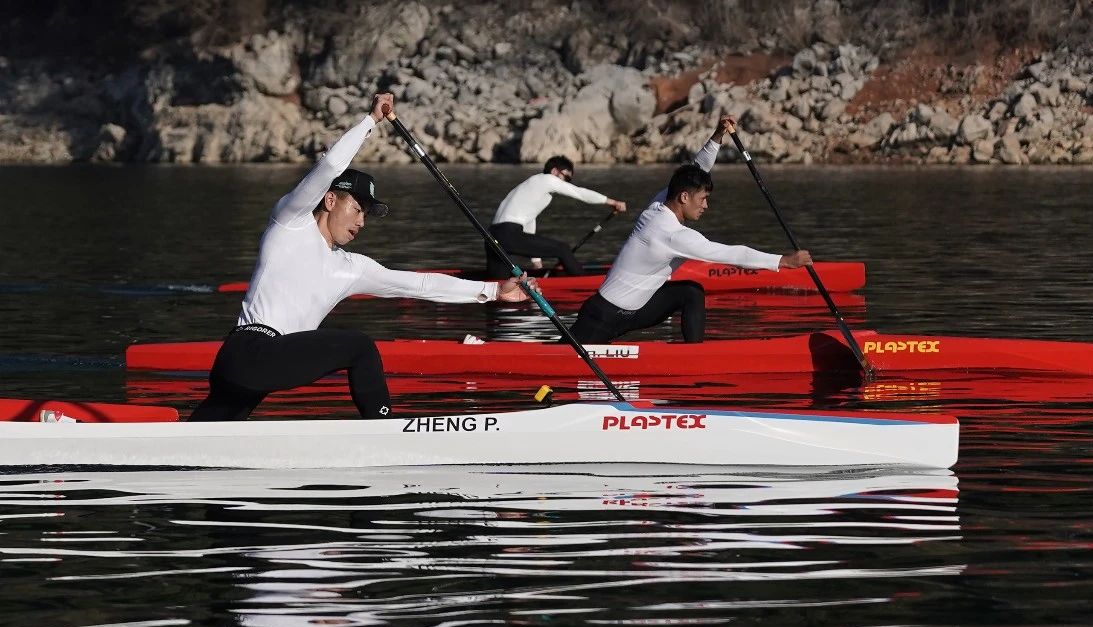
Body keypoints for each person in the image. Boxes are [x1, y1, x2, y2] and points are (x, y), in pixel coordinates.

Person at [189, 92, 534, 422]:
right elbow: (330, 166)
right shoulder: (290, 222)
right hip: (249, 350)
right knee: (360, 346)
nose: (361, 222)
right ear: (329, 201)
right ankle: (383, 430)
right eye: (357, 209)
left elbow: (419, 285)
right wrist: (370, 120)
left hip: (259, 364)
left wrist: (492, 291)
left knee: (207, 436)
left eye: (366, 215)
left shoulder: (351, 268)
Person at [568, 116, 810, 345]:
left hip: (635, 310)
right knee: (562, 360)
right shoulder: (672, 234)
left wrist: (718, 136)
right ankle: (694, 359)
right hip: (602, 316)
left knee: (690, 292)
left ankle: (694, 353)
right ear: (684, 197)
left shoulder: (659, 203)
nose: (706, 206)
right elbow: (732, 254)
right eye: (703, 199)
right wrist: (783, 261)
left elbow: (697, 168)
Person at [485, 155, 626, 277]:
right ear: (554, 171)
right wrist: (612, 202)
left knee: (498, 284)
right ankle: (584, 282)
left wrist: (536, 262)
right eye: (566, 177)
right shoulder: (547, 180)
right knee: (562, 249)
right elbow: (580, 193)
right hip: (508, 234)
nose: (566, 182)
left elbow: (529, 221)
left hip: (491, 237)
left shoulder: (531, 186)